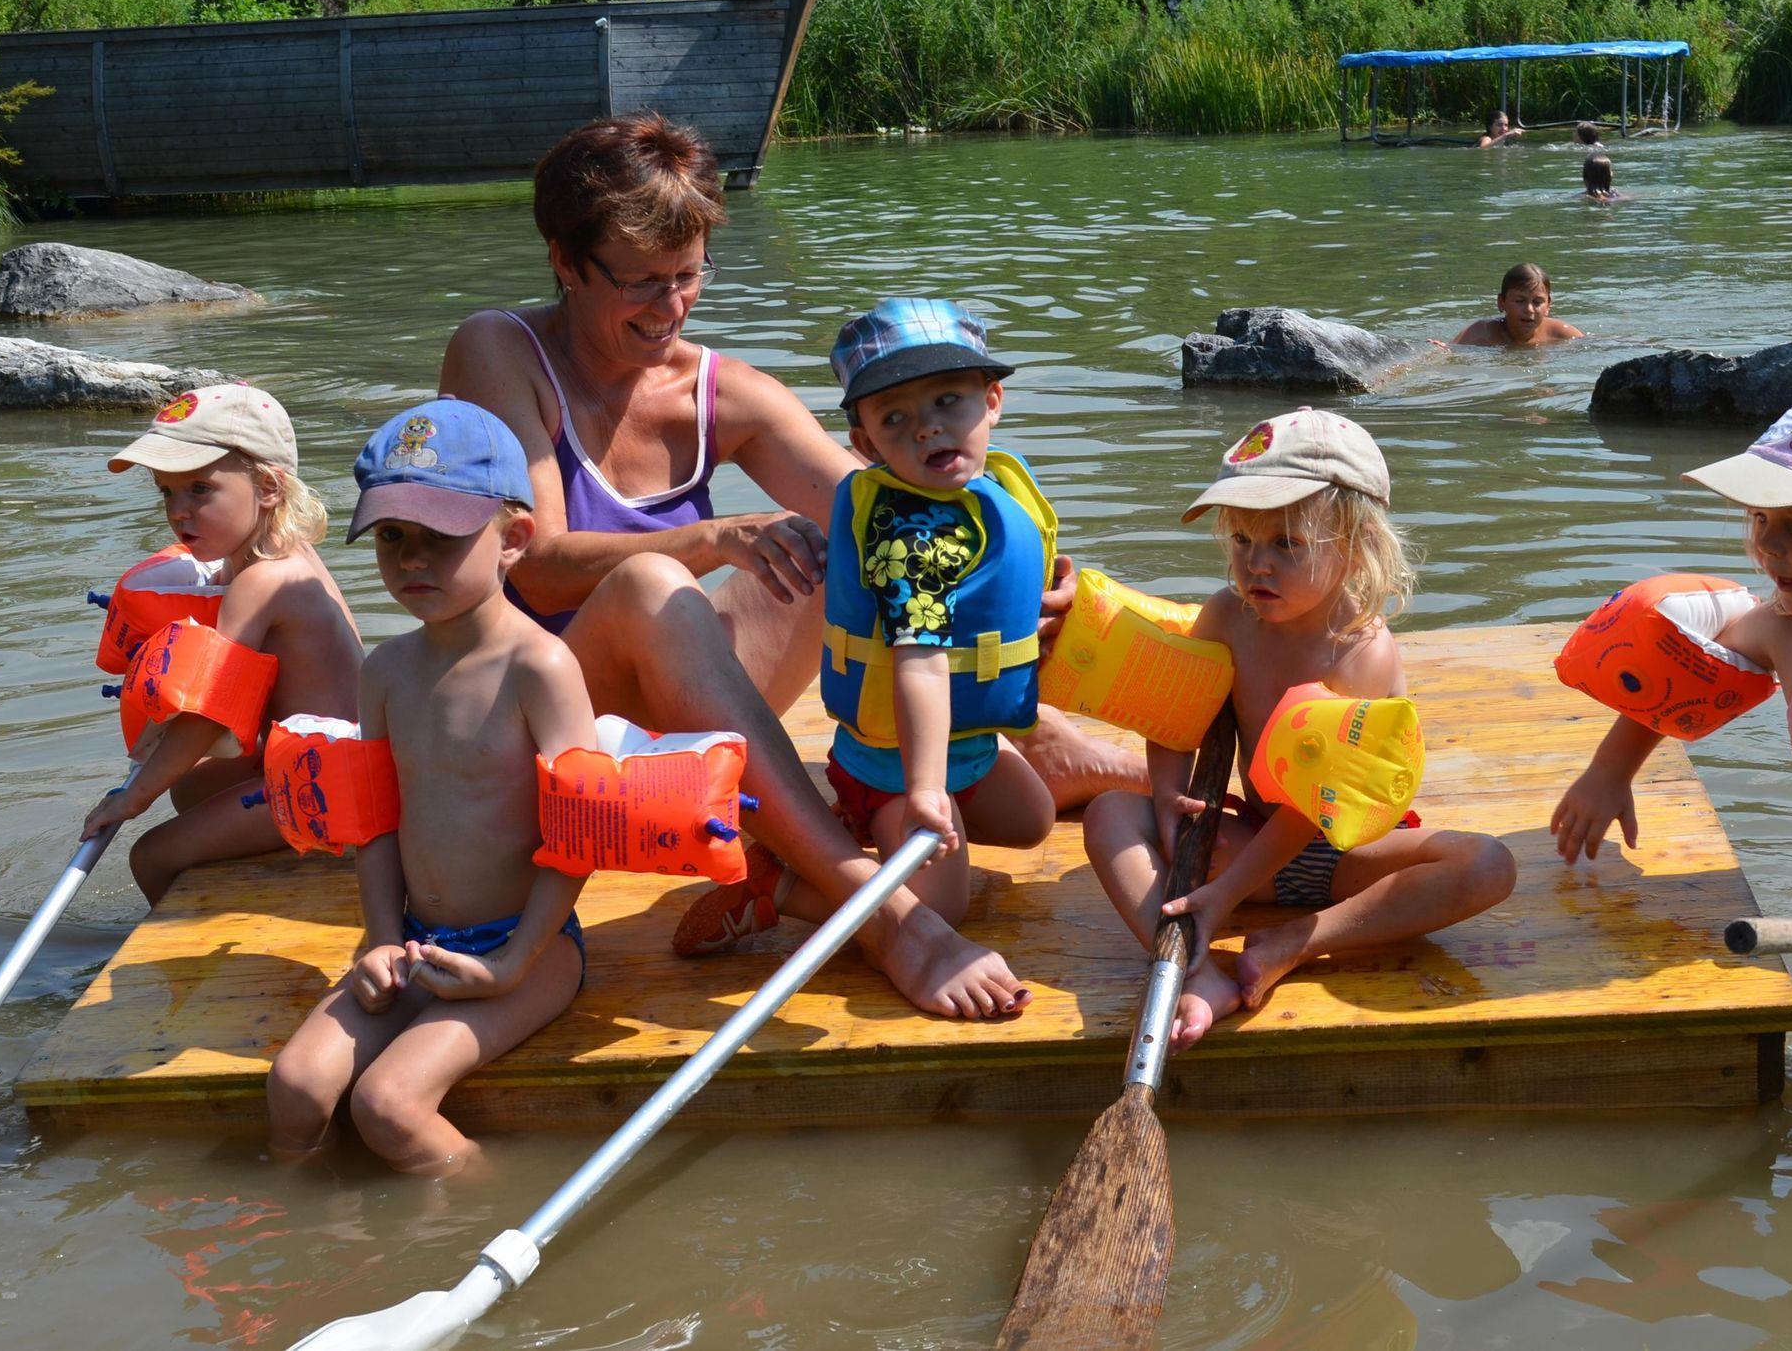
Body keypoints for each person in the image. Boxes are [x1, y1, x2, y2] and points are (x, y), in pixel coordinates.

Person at [438, 113, 1139, 1020]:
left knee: (846, 539)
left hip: (676, 708)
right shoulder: (498, 350)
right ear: (565, 263)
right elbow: (538, 567)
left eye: (689, 276)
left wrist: (1021, 585)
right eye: (640, 281)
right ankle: (895, 925)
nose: (670, 306)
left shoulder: (719, 387)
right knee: (657, 583)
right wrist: (715, 538)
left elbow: (903, 516)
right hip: (542, 723)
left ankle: (1038, 740)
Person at [1082, 409, 1516, 1046]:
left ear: (1357, 544)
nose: (1256, 564)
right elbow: (1178, 712)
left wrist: (1226, 893)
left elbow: (1313, 807)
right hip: (1251, 840)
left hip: (1345, 857)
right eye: (1242, 540)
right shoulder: (1228, 617)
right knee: (1109, 814)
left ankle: (1297, 942)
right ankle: (1187, 964)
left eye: (1287, 544)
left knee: (1487, 864)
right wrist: (1171, 799)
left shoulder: (1360, 649)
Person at [265, 400, 597, 1173]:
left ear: (514, 538)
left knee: (389, 1106)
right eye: (392, 537)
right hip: (414, 941)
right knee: (295, 1088)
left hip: (529, 949)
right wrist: (382, 940)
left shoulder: (539, 667)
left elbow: (576, 836)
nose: (412, 559)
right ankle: (297, 1227)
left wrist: (514, 961)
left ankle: (484, 1206)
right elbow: (378, 823)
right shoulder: (384, 671)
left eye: (440, 537)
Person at [1552, 382, 1792, 1064]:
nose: (1767, 546)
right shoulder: (1789, 631)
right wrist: (1609, 772)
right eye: (1759, 520)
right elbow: (1679, 678)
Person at [813, 299, 1056, 925]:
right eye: (895, 418)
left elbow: (1013, 576)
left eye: (948, 400)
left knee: (1033, 821)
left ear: (992, 400)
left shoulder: (993, 487)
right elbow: (919, 663)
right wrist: (923, 791)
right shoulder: (910, 536)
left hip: (968, 747)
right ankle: (786, 885)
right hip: (896, 766)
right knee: (940, 913)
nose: (927, 428)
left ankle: (873, 827)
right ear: (865, 443)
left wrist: (1065, 587)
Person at [80, 384, 364, 903]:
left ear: (269, 488)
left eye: (200, 489)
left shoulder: (262, 582)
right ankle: (280, 863)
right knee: (190, 787)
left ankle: (190, 953)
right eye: (166, 492)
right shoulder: (280, 555)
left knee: (151, 856)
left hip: (326, 783)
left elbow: (209, 714)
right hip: (331, 762)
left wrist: (131, 797)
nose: (178, 512)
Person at [1453, 263, 1583, 348]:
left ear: (1548, 305)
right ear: (1501, 302)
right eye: (1520, 301)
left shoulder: (1562, 334)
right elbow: (1450, 352)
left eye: (1537, 302)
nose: (1529, 310)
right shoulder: (1482, 332)